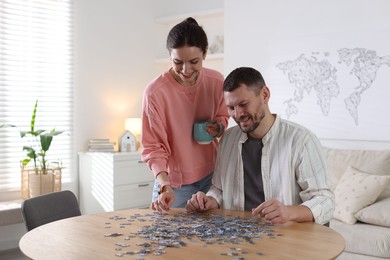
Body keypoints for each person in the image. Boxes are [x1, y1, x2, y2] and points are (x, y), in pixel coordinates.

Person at [185, 67, 334, 225]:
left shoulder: (301, 140)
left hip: (284, 239)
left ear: (265, 95)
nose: (237, 114)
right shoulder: (228, 139)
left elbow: (325, 201)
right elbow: (219, 190)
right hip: (236, 237)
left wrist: (288, 212)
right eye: (231, 108)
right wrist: (208, 200)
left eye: (243, 104)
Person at [141, 17, 229, 212]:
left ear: (205, 53)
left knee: (213, 239)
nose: (185, 70)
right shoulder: (155, 92)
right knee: (167, 240)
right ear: (169, 56)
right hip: (173, 184)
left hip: (212, 179)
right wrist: (165, 185)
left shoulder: (216, 82)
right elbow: (153, 147)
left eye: (194, 62)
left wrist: (218, 127)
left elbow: (224, 117)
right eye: (177, 62)